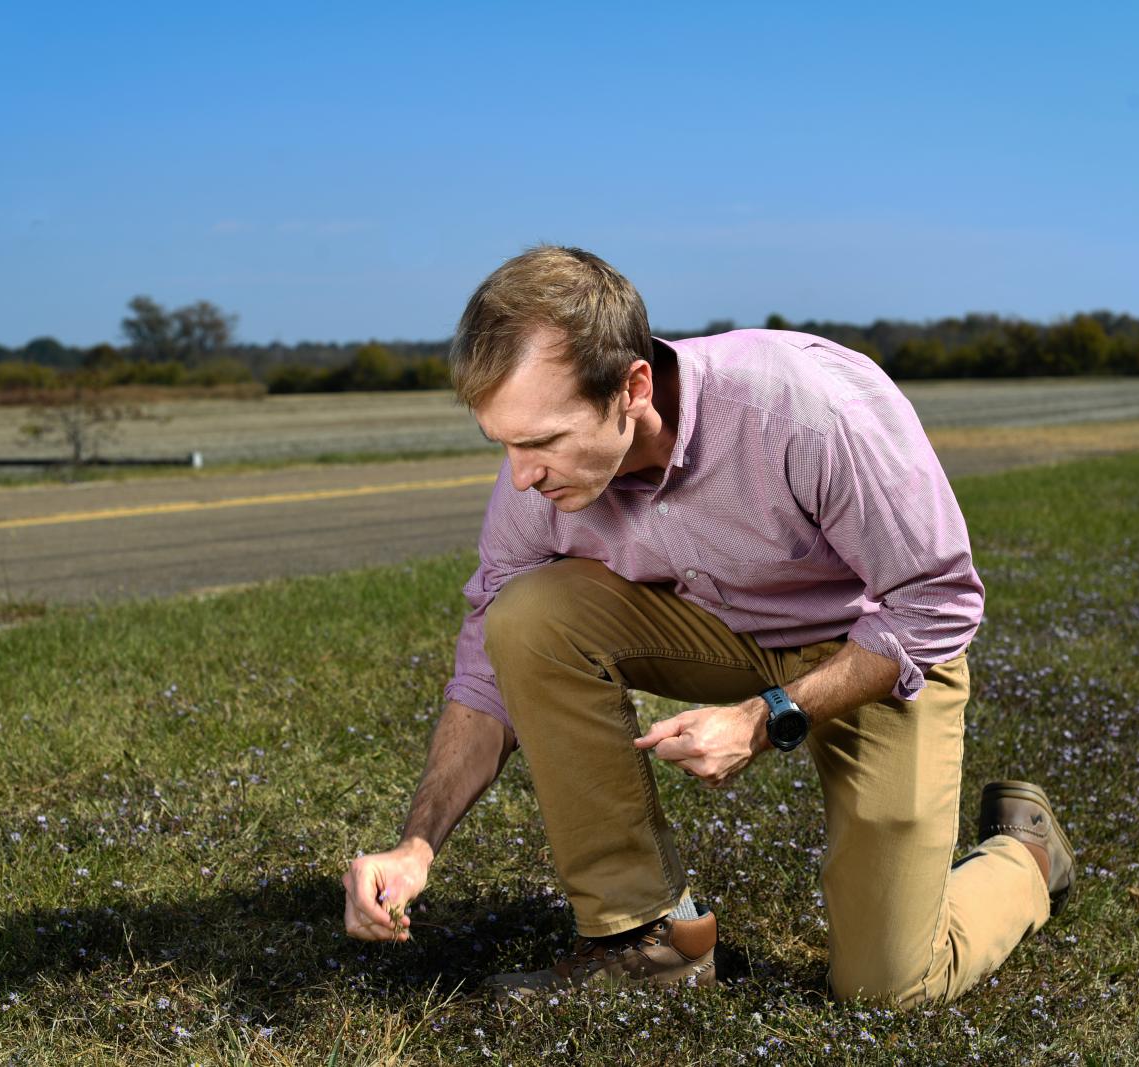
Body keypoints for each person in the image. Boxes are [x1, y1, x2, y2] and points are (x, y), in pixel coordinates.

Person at [340, 245, 1074, 1006]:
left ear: (632, 387)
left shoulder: (807, 413)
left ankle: (1026, 855)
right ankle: (646, 943)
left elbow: (937, 602)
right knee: (525, 612)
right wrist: (418, 842)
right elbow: (485, 669)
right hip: (720, 635)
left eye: (543, 441)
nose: (522, 474)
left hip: (873, 651)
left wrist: (768, 716)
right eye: (505, 443)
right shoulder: (535, 476)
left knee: (890, 985)